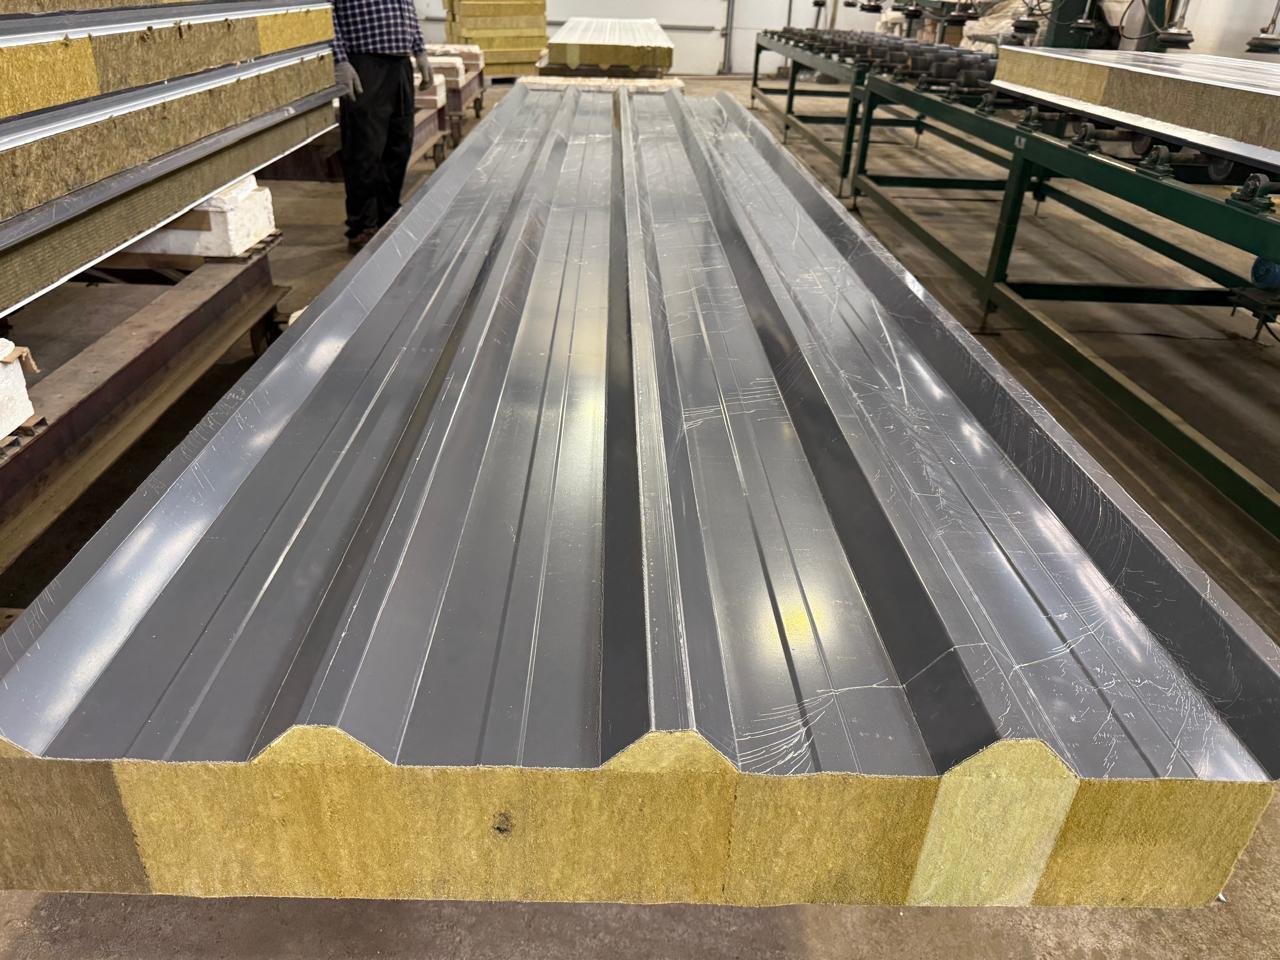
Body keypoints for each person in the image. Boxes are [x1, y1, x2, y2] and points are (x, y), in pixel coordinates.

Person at [331, 0, 434, 252]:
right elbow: (326, 13)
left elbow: (408, 8)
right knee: (365, 149)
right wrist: (339, 60)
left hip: (400, 64)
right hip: (365, 61)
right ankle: (362, 227)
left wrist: (419, 51)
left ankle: (388, 216)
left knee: (398, 145)